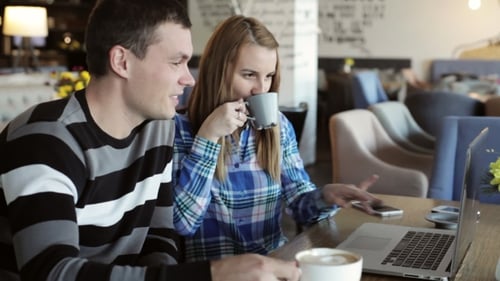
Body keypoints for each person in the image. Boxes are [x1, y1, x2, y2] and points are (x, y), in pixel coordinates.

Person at [0, 1, 300, 281]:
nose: (189, 79)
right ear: (122, 61)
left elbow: (160, 237)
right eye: (176, 62)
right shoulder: (45, 139)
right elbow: (52, 272)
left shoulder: (157, 131)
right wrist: (212, 273)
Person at [173, 15, 382, 262]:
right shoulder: (178, 130)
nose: (261, 89)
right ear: (217, 72)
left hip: (274, 267)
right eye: (249, 74)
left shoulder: (278, 128)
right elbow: (182, 223)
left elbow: (299, 203)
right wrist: (208, 138)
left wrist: (326, 196)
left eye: (269, 75)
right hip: (215, 274)